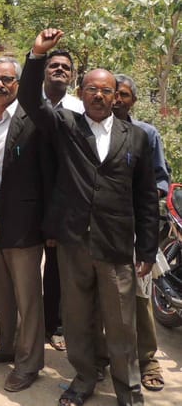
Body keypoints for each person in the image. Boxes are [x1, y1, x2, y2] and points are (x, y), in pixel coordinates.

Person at [18, 29, 159, 406]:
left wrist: (147, 248)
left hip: (115, 244)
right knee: (77, 318)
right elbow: (29, 100)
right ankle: (83, 379)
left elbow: (146, 197)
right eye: (92, 89)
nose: (99, 95)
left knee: (121, 322)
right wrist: (36, 55)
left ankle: (128, 388)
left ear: (116, 97)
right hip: (74, 242)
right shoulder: (66, 125)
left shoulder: (136, 137)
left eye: (106, 90)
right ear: (81, 93)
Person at [0, 57, 53, 392]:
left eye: (7, 79)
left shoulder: (32, 117)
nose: (0, 85)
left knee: (27, 295)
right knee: (0, 288)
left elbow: (48, 172)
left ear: (19, 84)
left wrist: (48, 222)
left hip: (24, 219)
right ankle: (7, 345)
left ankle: (28, 363)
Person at [112, 73, 168, 392]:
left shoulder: (146, 134)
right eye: (113, 93)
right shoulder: (93, 131)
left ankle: (147, 361)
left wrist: (137, 196)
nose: (117, 99)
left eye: (124, 95)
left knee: (140, 296)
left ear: (133, 100)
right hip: (101, 230)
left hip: (135, 228)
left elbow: (161, 180)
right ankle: (103, 357)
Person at [40, 49, 84, 352]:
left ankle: (54, 325)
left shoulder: (80, 110)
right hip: (29, 195)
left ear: (73, 75)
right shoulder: (28, 104)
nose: (59, 70)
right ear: (44, 70)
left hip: (64, 198)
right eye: (53, 65)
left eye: (65, 67)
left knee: (57, 266)